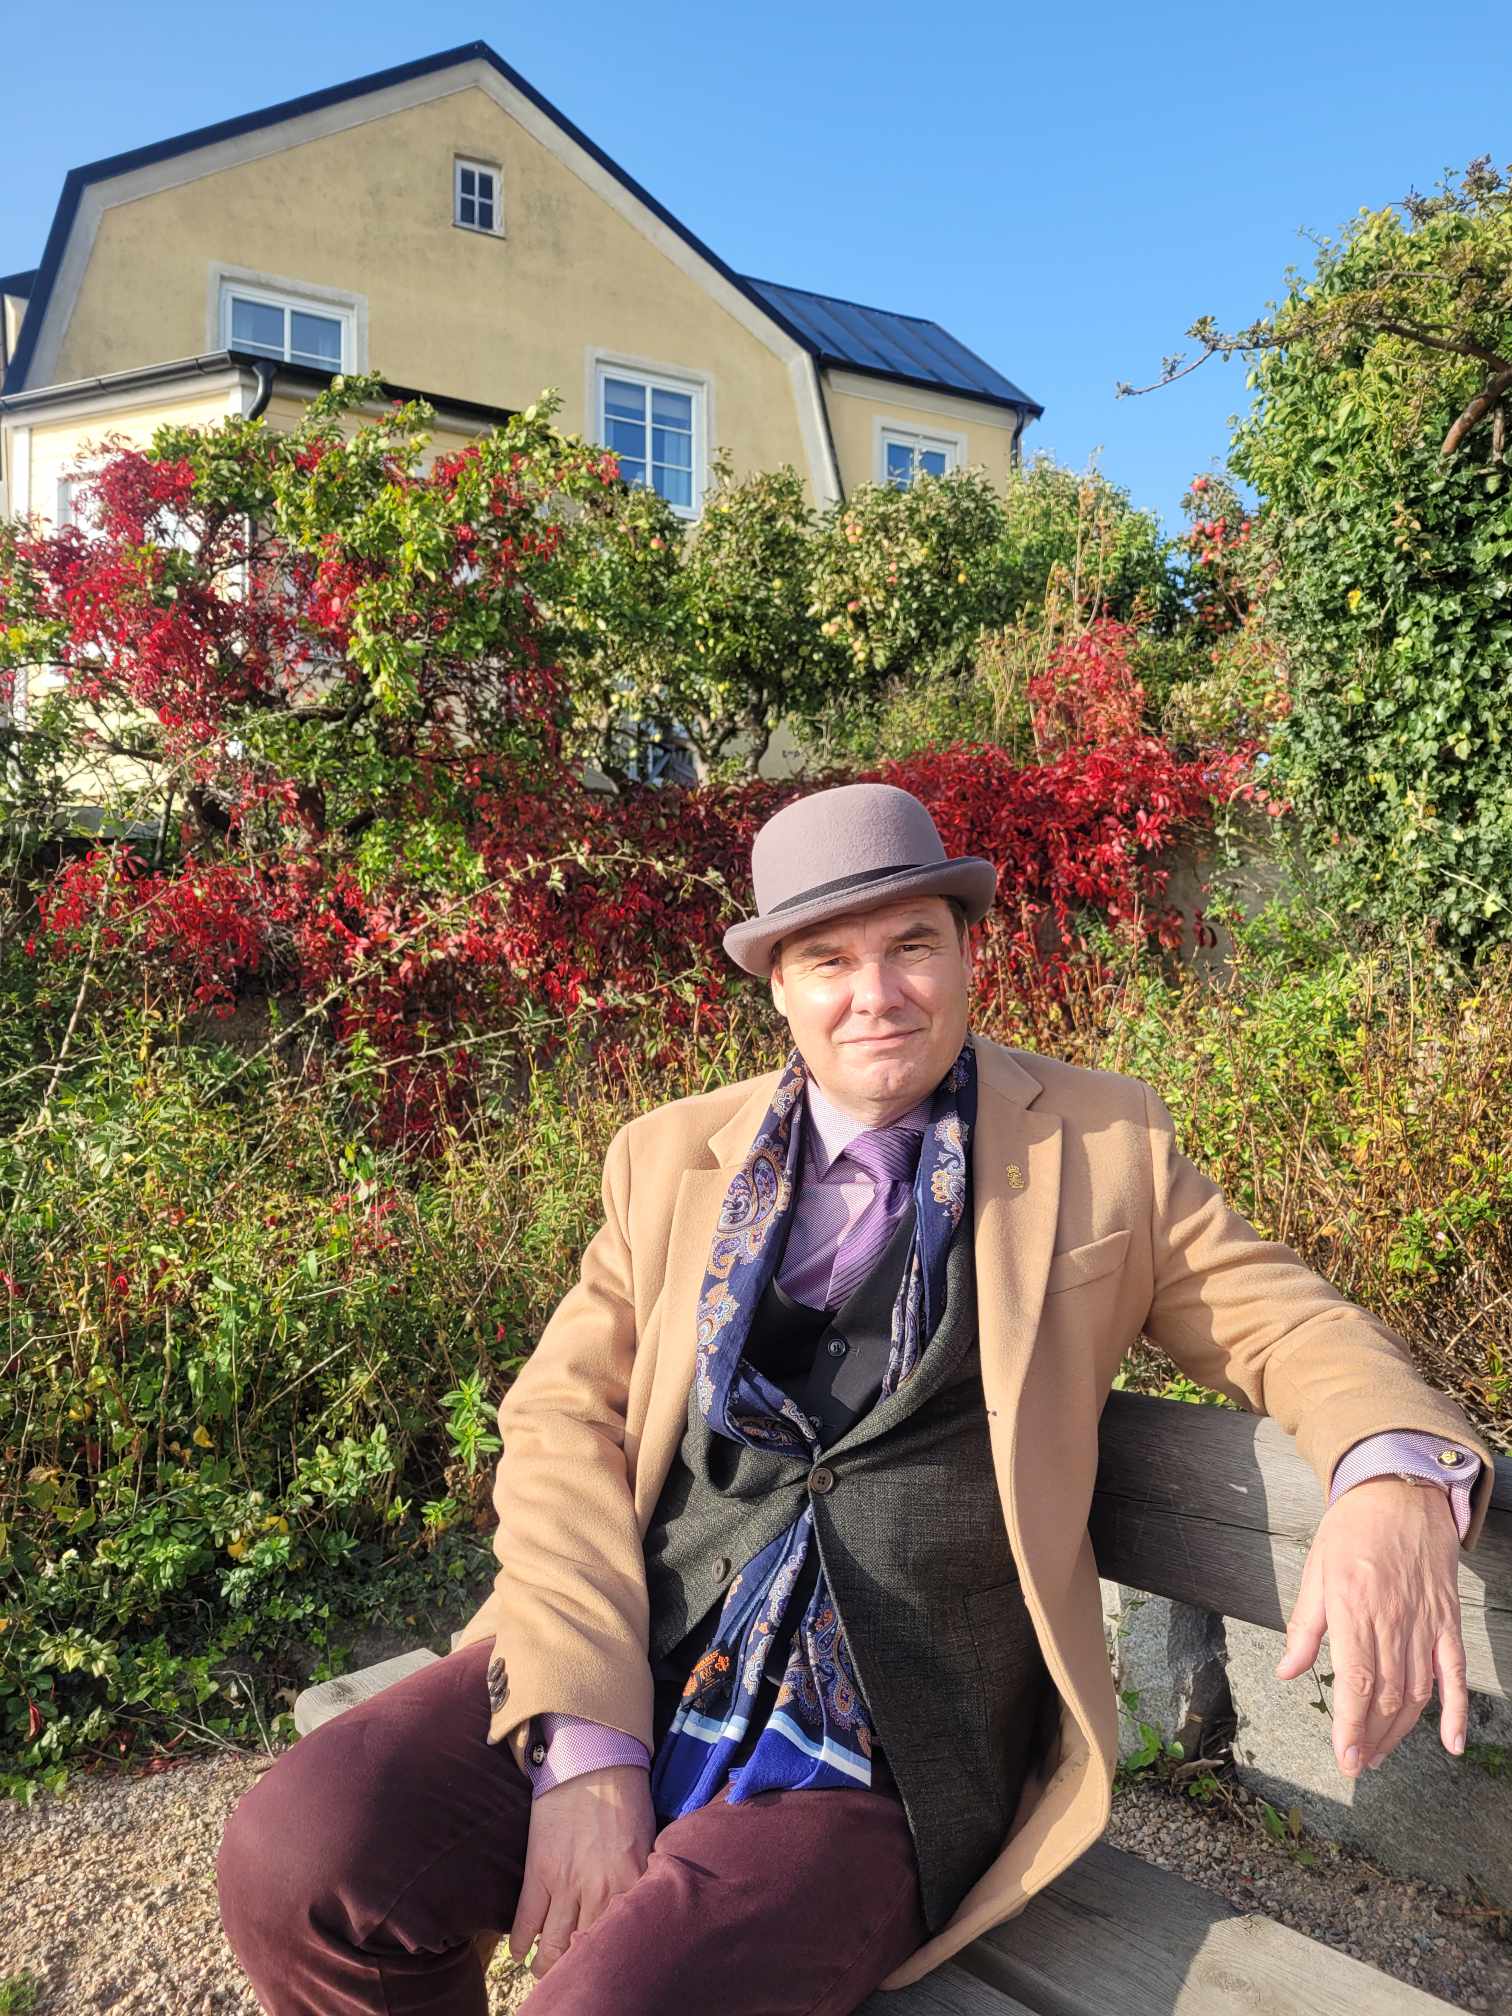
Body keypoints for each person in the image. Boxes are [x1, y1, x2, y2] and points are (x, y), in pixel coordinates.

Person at [218, 781, 1493, 2016]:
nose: (875, 994)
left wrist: (1392, 1474)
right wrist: (587, 1741)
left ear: (968, 952)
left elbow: (1288, 1320)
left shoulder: (1103, 1143)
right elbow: (560, 1420)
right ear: (777, 985)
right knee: (298, 1858)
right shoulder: (665, 1159)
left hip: (891, 1743)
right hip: (645, 1641)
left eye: (911, 946)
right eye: (827, 960)